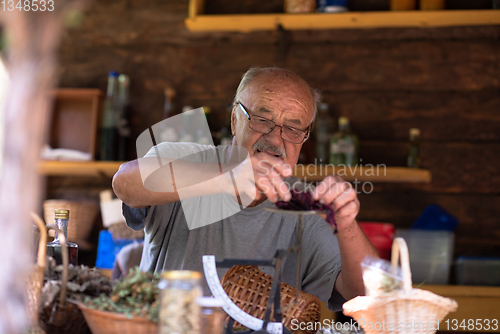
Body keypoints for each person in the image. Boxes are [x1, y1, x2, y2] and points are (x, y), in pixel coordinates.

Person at [112, 67, 378, 311]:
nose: (275, 139)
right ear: (234, 121)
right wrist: (227, 177)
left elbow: (366, 296)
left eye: (293, 129)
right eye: (262, 120)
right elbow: (124, 184)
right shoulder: (181, 160)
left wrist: (346, 225)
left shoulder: (305, 207)